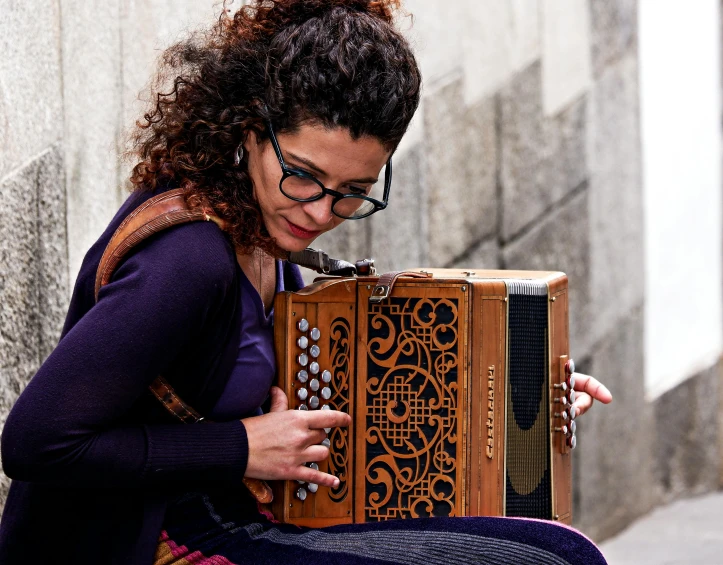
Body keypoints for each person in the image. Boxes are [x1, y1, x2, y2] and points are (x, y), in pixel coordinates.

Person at [0, 1, 613, 564]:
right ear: (250, 127)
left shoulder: (263, 236)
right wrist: (238, 449)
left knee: (548, 544)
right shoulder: (188, 259)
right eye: (304, 176)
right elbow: (34, 442)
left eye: (351, 193)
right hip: (148, 542)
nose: (320, 213)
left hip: (236, 516)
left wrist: (519, 396)